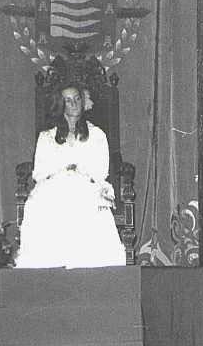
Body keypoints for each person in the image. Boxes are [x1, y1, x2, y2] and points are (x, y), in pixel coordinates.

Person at [14, 83, 126, 269]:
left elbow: (100, 169)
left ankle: (86, 267)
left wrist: (78, 170)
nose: (73, 103)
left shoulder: (97, 135)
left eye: (76, 99)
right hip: (54, 187)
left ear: (83, 102)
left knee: (86, 203)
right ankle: (50, 266)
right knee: (44, 205)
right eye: (68, 100)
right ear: (61, 105)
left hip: (87, 185)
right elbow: (39, 172)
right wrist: (65, 169)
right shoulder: (47, 137)